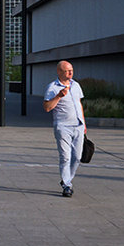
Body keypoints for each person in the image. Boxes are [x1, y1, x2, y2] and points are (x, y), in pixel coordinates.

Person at [42, 60, 85, 198]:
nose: (70, 73)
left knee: (77, 157)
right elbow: (47, 107)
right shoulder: (52, 87)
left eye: (71, 70)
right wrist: (59, 96)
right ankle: (67, 185)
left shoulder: (76, 85)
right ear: (59, 72)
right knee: (65, 157)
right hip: (63, 127)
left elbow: (79, 104)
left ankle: (67, 179)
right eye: (67, 70)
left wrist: (83, 123)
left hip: (78, 126)